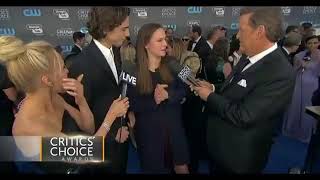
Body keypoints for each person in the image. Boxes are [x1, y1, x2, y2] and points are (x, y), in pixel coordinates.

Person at [0, 36, 129, 173]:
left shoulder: (54, 97)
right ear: (47, 81)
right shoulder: (28, 128)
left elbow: (88, 129)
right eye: (62, 68)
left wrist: (81, 100)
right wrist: (111, 115)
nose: (67, 71)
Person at [192, 7, 295, 174]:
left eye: (242, 29)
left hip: (238, 159)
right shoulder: (248, 57)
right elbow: (234, 86)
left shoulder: (280, 72)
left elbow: (244, 115)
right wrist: (212, 87)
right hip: (220, 151)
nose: (237, 36)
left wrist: (209, 96)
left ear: (259, 31)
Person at [63, 6, 131, 173]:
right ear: (106, 29)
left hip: (121, 140)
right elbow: (80, 118)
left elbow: (112, 93)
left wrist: (126, 120)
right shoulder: (81, 64)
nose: (128, 34)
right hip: (101, 153)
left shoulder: (115, 50)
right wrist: (112, 133)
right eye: (124, 29)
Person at [127, 23, 189, 174]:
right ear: (146, 44)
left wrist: (170, 95)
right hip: (149, 136)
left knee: (182, 168)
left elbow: (188, 88)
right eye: (159, 40)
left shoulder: (174, 64)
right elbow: (130, 104)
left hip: (175, 132)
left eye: (165, 40)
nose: (165, 44)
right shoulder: (131, 71)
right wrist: (153, 100)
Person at [282, 35, 320, 143]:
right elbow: (293, 72)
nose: (312, 45)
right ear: (306, 44)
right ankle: (291, 130)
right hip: (298, 85)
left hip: (312, 87)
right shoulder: (299, 55)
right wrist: (299, 66)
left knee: (308, 109)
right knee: (295, 106)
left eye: (315, 43)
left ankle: (306, 132)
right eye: (310, 43)